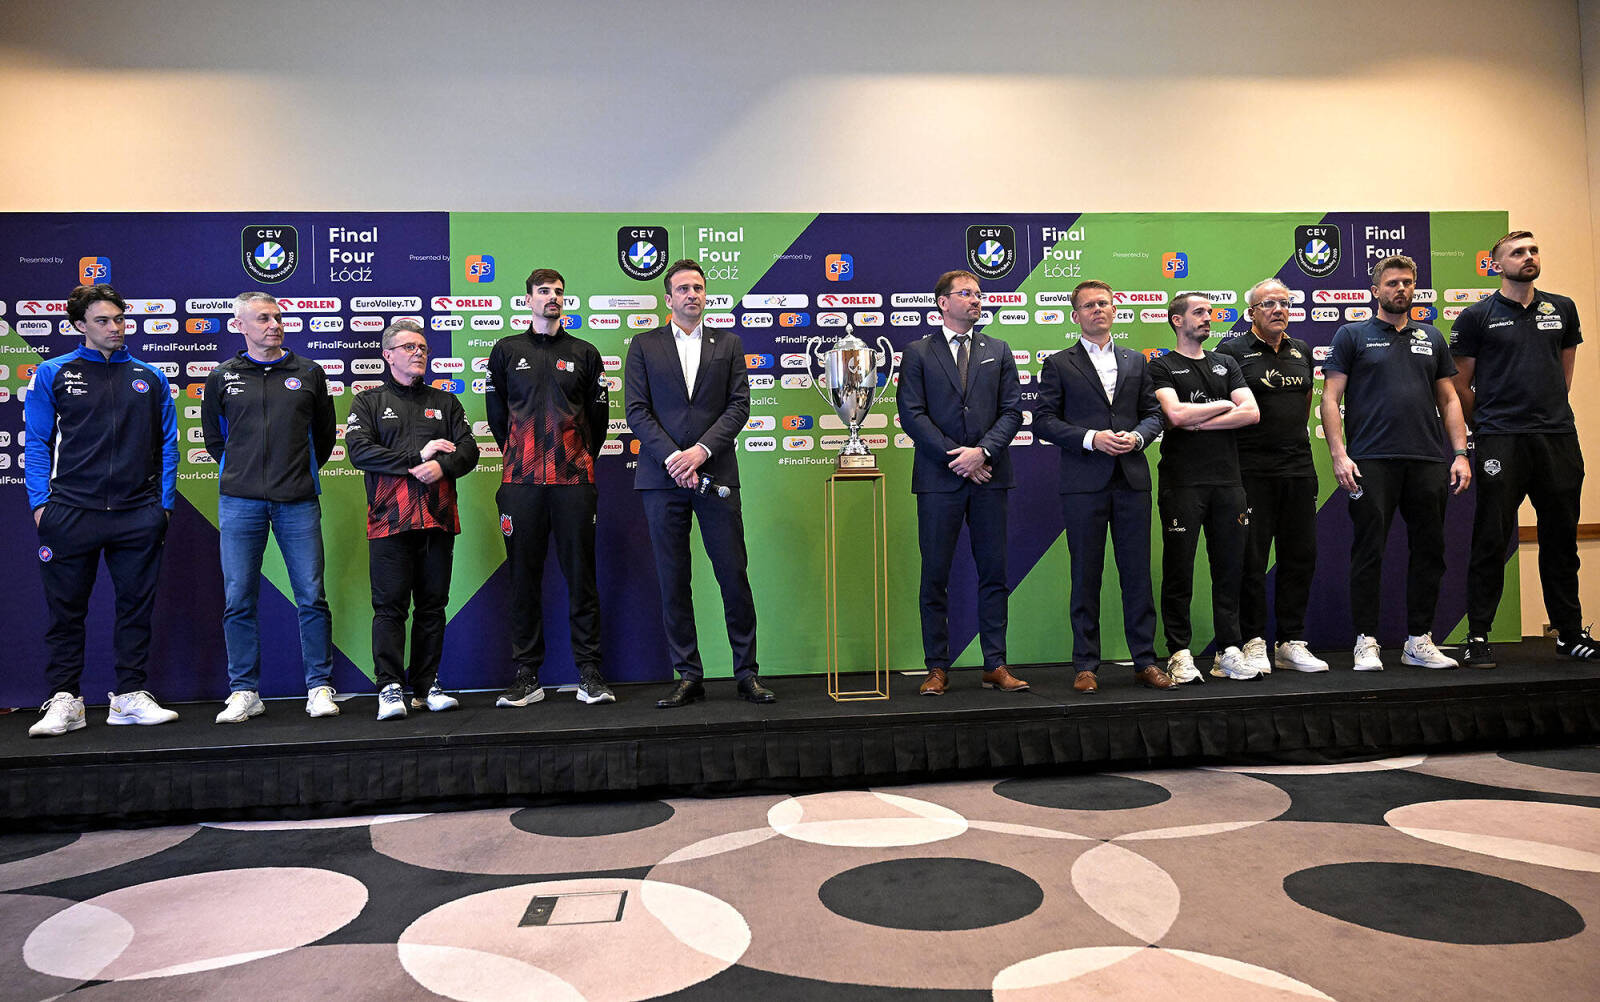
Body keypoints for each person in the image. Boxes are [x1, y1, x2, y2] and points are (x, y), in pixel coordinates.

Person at [23, 284, 179, 737]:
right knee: (65, 612)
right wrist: (40, 504)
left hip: (137, 513)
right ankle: (65, 700)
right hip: (71, 510)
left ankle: (129, 695)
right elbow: (37, 442)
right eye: (103, 321)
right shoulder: (53, 372)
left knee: (135, 609)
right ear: (80, 325)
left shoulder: (149, 376)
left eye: (119, 319)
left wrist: (163, 506)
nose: (115, 328)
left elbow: (169, 445)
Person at [625, 259, 775, 707]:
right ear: (668, 298)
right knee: (674, 580)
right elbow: (636, 410)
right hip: (662, 477)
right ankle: (688, 674)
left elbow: (739, 406)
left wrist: (700, 452)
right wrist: (675, 457)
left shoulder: (728, 344)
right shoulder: (644, 345)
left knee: (733, 574)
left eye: (698, 288)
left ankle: (747, 673)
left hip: (717, 474)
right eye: (683, 289)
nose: (692, 294)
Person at [1451, 230, 1596, 667]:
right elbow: (1460, 385)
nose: (1528, 256)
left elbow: (1564, 373)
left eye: (1533, 250)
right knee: (1491, 539)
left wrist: (1547, 414)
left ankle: (1569, 633)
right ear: (1496, 265)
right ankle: (1478, 634)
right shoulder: (1476, 316)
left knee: (1561, 539)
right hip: (1501, 438)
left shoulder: (1562, 308)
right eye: (1517, 252)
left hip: (1557, 438)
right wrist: (1488, 425)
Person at [1320, 255, 1471, 671]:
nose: (1400, 289)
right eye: (1391, 283)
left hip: (1426, 460)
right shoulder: (1352, 334)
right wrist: (1339, 455)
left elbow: (1449, 399)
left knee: (1430, 552)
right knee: (1369, 551)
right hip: (1371, 461)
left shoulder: (1431, 336)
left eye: (1407, 282)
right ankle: (1365, 641)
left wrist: (1460, 453)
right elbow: (1330, 398)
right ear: (1375, 291)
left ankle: (1418, 640)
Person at [202, 292, 339, 721]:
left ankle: (319, 687)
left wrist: (295, 472)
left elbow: (324, 436)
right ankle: (245, 691)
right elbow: (215, 439)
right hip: (239, 502)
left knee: (312, 596)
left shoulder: (309, 372)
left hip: (297, 501)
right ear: (240, 325)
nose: (274, 325)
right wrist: (243, 473)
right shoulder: (222, 376)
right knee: (238, 598)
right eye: (263, 318)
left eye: (277, 317)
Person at [1033, 280, 1175, 694]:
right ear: (1075, 315)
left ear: (1115, 311)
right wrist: (1091, 438)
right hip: (1083, 483)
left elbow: (1153, 414)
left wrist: (1139, 437)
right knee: (1085, 575)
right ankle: (1085, 665)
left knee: (1137, 574)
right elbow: (1043, 420)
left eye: (1104, 303)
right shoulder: (1059, 364)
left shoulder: (1136, 361)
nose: (1098, 309)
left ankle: (1145, 661)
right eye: (1089, 305)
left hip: (1132, 480)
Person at [897, 270, 1028, 695]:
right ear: (943, 302)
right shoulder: (918, 352)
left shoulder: (998, 350)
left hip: (990, 476)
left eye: (978, 294)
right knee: (935, 574)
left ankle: (995, 664)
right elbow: (912, 414)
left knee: (994, 573)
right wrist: (959, 458)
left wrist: (982, 453)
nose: (976, 300)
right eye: (966, 294)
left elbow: (1012, 411)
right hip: (940, 478)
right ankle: (936, 667)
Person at [486, 268, 612, 707]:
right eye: (543, 291)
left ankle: (590, 673)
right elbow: (497, 418)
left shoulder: (585, 352)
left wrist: (575, 459)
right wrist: (521, 457)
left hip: (573, 481)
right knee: (523, 579)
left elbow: (598, 422)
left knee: (582, 577)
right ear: (528, 300)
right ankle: (527, 675)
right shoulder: (506, 351)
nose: (552, 297)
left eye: (558, 291)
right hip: (520, 482)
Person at [345, 319, 478, 719]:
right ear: (387, 355)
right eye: (409, 347)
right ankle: (389, 687)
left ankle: (425, 685)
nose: (418, 353)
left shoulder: (446, 402)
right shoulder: (368, 402)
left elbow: (469, 450)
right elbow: (359, 452)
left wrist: (443, 467)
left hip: (438, 518)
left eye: (422, 347)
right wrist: (417, 458)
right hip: (389, 520)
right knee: (390, 608)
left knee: (432, 607)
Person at [1216, 279, 1329, 673]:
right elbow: (1223, 410)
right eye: (1268, 304)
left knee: (1300, 556)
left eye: (1284, 302)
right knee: (1251, 560)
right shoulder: (1231, 352)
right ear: (1251, 312)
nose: (1278, 309)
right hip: (1250, 472)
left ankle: (1290, 641)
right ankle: (1252, 641)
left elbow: (1304, 405)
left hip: (1298, 468)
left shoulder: (1303, 351)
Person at [1148, 293, 1260, 682]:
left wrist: (1198, 421)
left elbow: (1252, 412)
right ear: (1177, 320)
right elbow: (1175, 413)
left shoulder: (1225, 362)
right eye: (1199, 313)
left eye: (1209, 312)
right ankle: (1179, 652)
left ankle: (1228, 650)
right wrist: (1224, 404)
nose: (1207, 318)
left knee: (1229, 569)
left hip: (1228, 481)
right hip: (1182, 482)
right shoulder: (1161, 365)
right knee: (1179, 570)